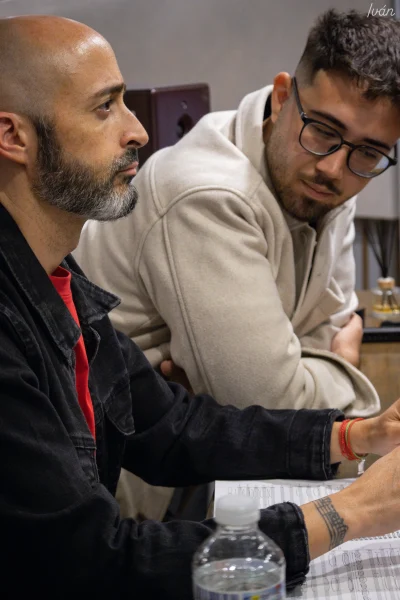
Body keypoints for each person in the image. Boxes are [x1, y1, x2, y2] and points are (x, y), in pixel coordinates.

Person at [3, 14, 400, 599]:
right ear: (13, 136)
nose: (139, 131)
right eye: (106, 107)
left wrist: (358, 435)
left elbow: (176, 427)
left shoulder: (60, 276)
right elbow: (93, 559)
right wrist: (353, 511)